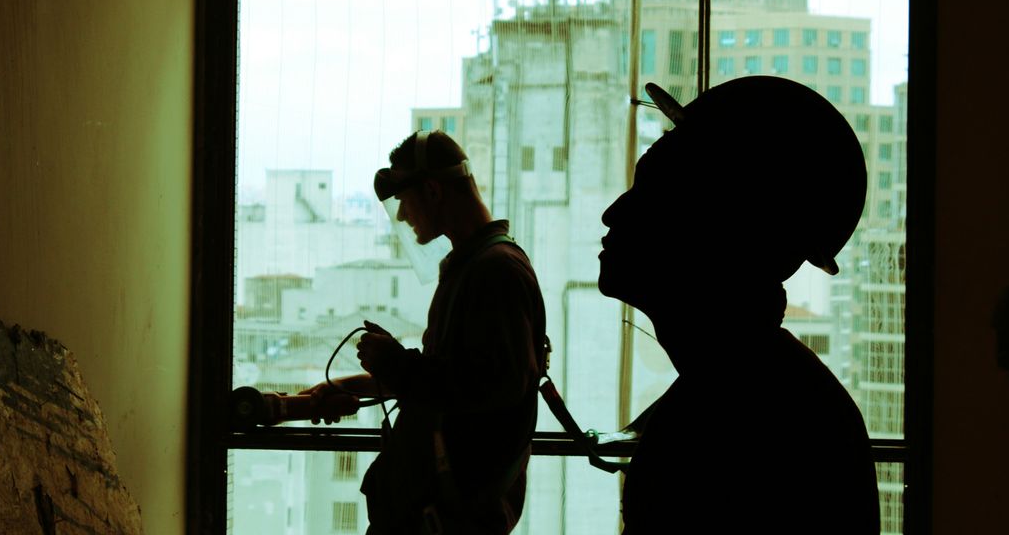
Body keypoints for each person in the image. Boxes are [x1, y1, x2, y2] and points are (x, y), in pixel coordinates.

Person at [599, 76, 879, 533]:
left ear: (719, 227)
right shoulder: (768, 400)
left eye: (652, 193)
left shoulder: (735, 422)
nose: (613, 213)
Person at [303, 130, 547, 535]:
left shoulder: (495, 271)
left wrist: (397, 364)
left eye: (403, 200)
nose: (401, 216)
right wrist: (354, 385)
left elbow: (494, 387)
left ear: (432, 191)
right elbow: (448, 382)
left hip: (449, 521)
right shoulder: (476, 267)